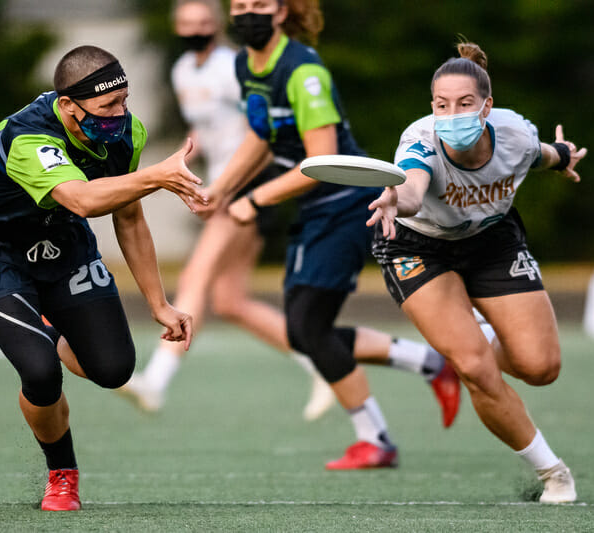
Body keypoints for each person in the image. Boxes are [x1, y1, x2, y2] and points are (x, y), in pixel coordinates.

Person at [196, 0, 462, 470]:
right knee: (305, 330)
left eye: (259, 5)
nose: (247, 14)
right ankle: (427, 367)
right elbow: (262, 136)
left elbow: (320, 162)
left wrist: (254, 201)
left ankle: (378, 435)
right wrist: (221, 189)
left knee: (307, 329)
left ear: (281, 12)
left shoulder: (304, 71)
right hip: (314, 211)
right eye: (239, 5)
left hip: (344, 207)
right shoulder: (244, 63)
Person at [0, 45, 207, 511]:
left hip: (63, 244)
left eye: (124, 100)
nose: (120, 113)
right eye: (108, 106)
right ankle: (61, 474)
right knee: (40, 371)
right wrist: (157, 176)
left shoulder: (129, 133)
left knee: (113, 370)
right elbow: (83, 200)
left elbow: (128, 218)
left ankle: (56, 331)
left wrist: (159, 304)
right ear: (68, 105)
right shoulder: (25, 137)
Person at [368, 41, 586, 502]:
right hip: (418, 247)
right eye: (442, 105)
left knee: (541, 367)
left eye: (465, 104)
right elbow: (411, 186)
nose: (453, 114)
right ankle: (554, 473)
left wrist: (563, 156)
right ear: (431, 106)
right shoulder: (419, 140)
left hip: (491, 241)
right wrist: (394, 197)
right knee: (474, 368)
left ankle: (476, 342)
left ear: (487, 106)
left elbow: (539, 154)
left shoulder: (515, 133)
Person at [119, 0, 338, 421]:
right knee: (232, 301)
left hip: (247, 183)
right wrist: (176, 168)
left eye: (203, 22)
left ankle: (156, 381)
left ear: (218, 25)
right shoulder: (183, 69)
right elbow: (203, 128)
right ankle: (324, 363)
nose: (195, 29)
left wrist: (228, 185)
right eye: (187, 23)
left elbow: (263, 128)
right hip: (220, 184)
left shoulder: (234, 66)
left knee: (196, 274)